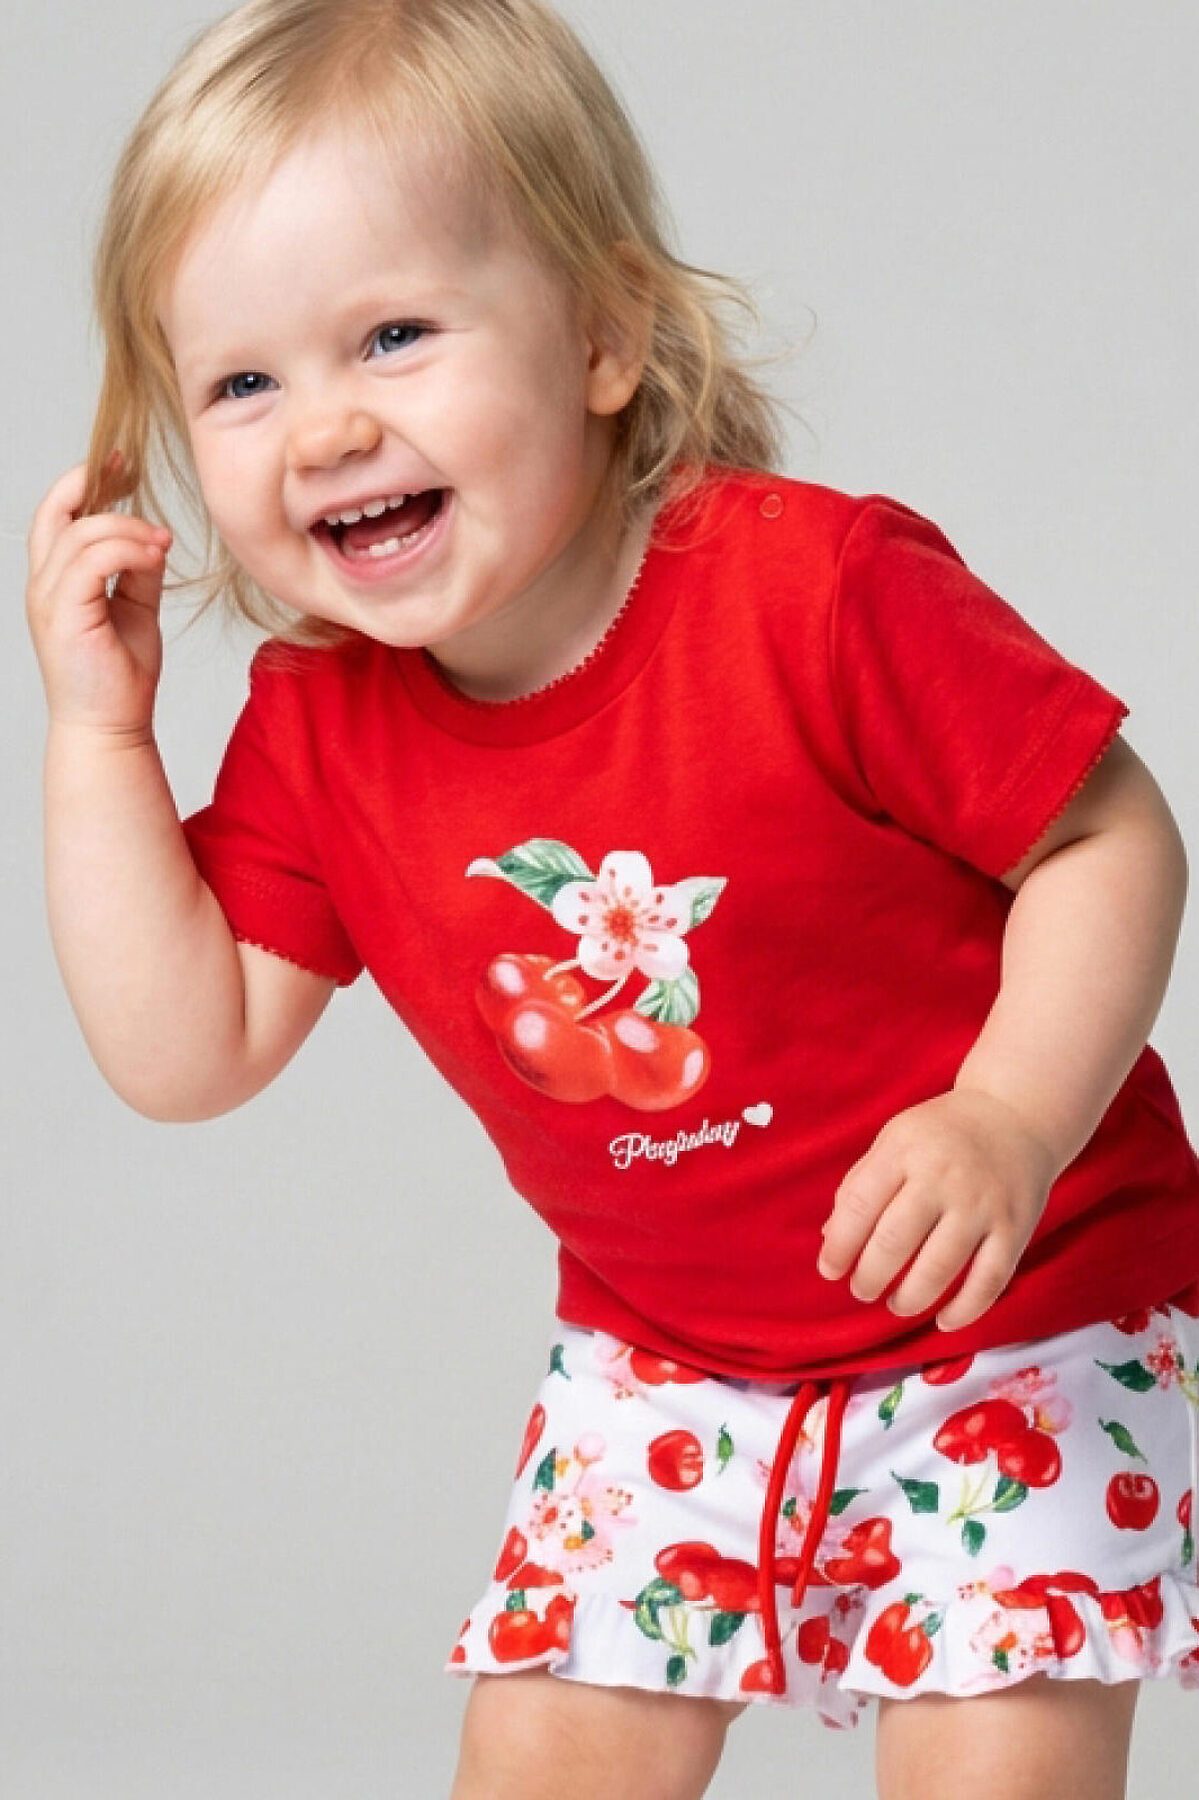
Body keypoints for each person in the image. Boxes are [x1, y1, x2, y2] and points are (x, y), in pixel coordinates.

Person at [24, 2, 1199, 1795]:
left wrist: (1011, 1118)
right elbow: (189, 1052)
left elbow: (1113, 838)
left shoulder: (816, 595)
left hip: (1018, 1311)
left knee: (995, 1769)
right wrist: (101, 739)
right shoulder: (321, 726)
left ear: (602, 333)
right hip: (666, 1362)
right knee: (540, 1766)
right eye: (242, 383)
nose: (323, 428)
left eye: (393, 336)